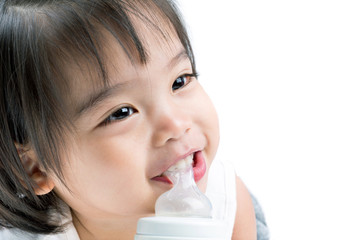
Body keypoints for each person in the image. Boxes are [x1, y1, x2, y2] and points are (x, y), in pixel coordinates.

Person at [0, 0, 266, 239]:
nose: (175, 124)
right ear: (34, 169)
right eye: (121, 113)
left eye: (179, 81)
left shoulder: (227, 205)